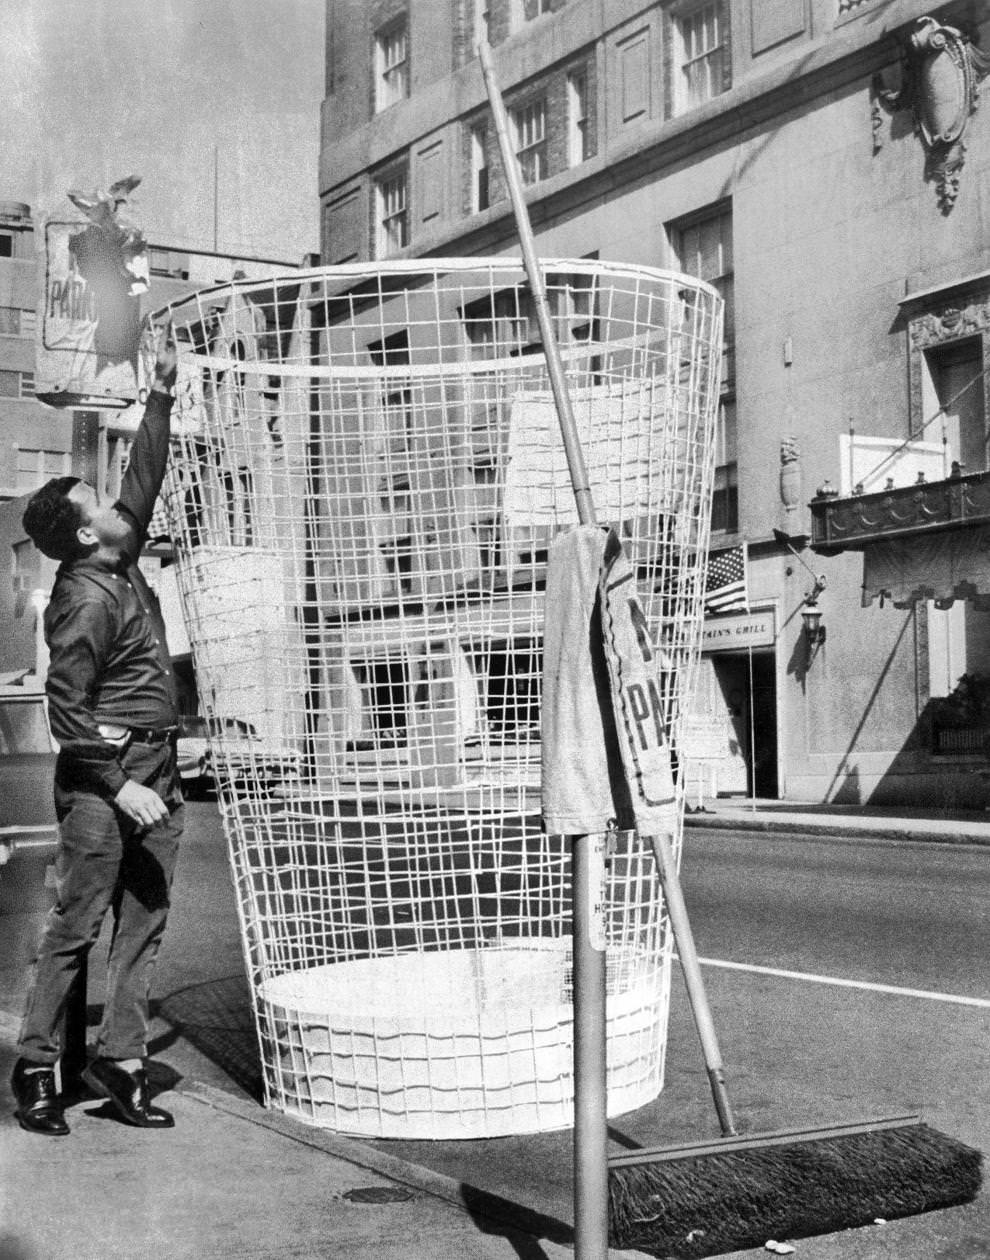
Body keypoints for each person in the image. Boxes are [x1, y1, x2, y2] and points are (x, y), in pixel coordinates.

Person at [10, 325, 183, 1134]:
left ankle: (120, 1065)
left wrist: (161, 394)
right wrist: (122, 788)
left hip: (159, 766)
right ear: (85, 534)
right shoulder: (83, 596)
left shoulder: (121, 558)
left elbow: (143, 476)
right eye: (97, 504)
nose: (117, 505)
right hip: (105, 779)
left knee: (144, 925)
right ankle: (38, 1071)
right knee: (76, 927)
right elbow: (66, 710)